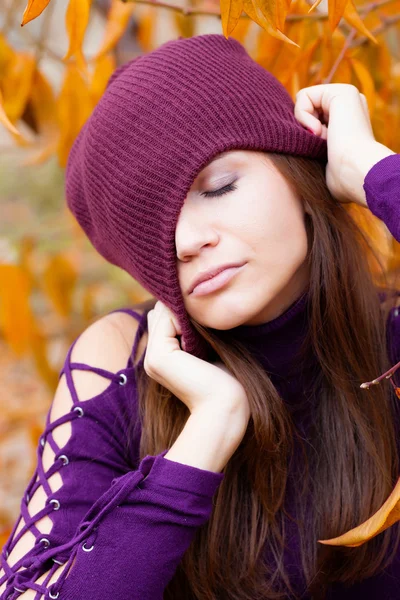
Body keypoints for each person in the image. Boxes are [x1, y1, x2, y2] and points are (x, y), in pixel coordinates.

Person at [1, 32, 400, 600]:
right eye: (153, 232)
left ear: (299, 166)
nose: (186, 241)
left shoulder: (389, 343)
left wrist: (371, 169)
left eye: (219, 187)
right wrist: (204, 436)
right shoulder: (126, 362)